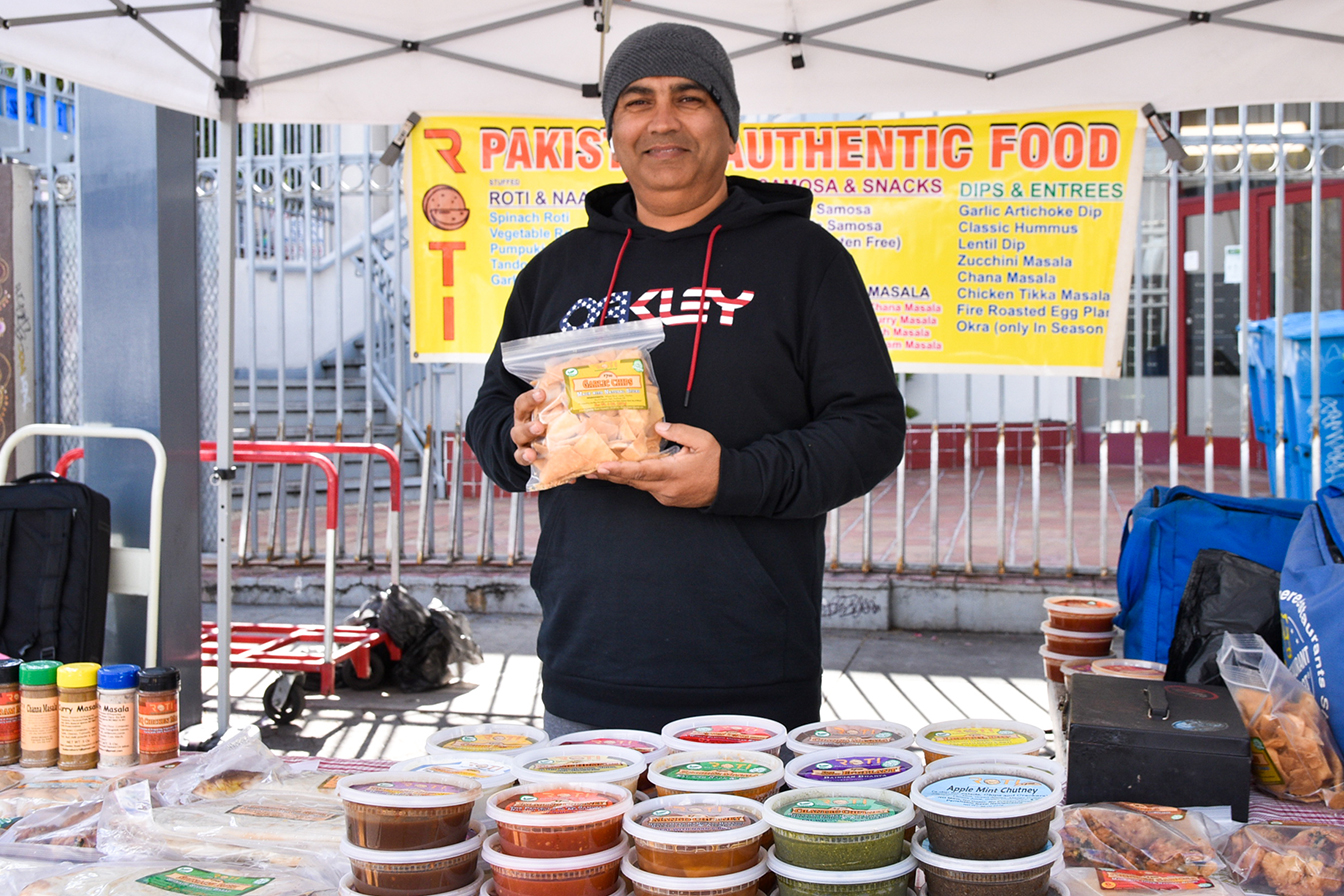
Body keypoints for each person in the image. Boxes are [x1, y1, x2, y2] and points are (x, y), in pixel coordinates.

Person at [465, 22, 905, 736]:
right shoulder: (559, 268)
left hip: (751, 673)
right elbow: (489, 415)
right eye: (637, 101)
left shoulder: (805, 260)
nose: (662, 121)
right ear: (613, 129)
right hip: (587, 669)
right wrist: (515, 437)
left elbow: (871, 429)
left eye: (690, 98)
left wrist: (731, 478)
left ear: (729, 127)